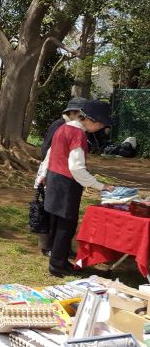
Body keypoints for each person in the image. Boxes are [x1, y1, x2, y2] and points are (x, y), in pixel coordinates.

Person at [36, 100, 116, 277]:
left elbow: (50, 154)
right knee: (67, 225)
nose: (100, 127)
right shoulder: (77, 134)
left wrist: (43, 174)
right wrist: (101, 186)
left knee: (57, 223)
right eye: (100, 124)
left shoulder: (63, 128)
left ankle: (60, 261)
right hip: (66, 182)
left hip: (54, 178)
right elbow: (76, 168)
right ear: (90, 120)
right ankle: (57, 265)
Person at [37, 97, 86, 257]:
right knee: (53, 214)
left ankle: (60, 248)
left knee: (59, 215)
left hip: (60, 174)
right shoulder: (60, 125)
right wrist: (45, 174)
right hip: (54, 174)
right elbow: (48, 151)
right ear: (72, 112)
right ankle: (49, 247)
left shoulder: (74, 128)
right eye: (80, 114)